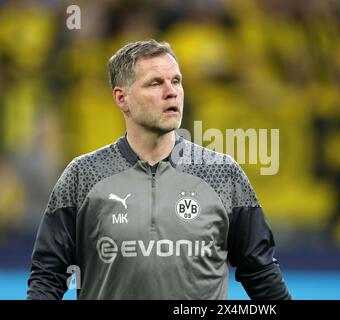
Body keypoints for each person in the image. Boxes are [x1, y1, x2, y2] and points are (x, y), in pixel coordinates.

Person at [27, 39, 291, 300]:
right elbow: (48, 276)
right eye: (156, 83)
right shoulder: (82, 176)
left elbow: (260, 272)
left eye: (176, 81)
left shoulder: (223, 174)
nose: (171, 91)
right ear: (122, 98)